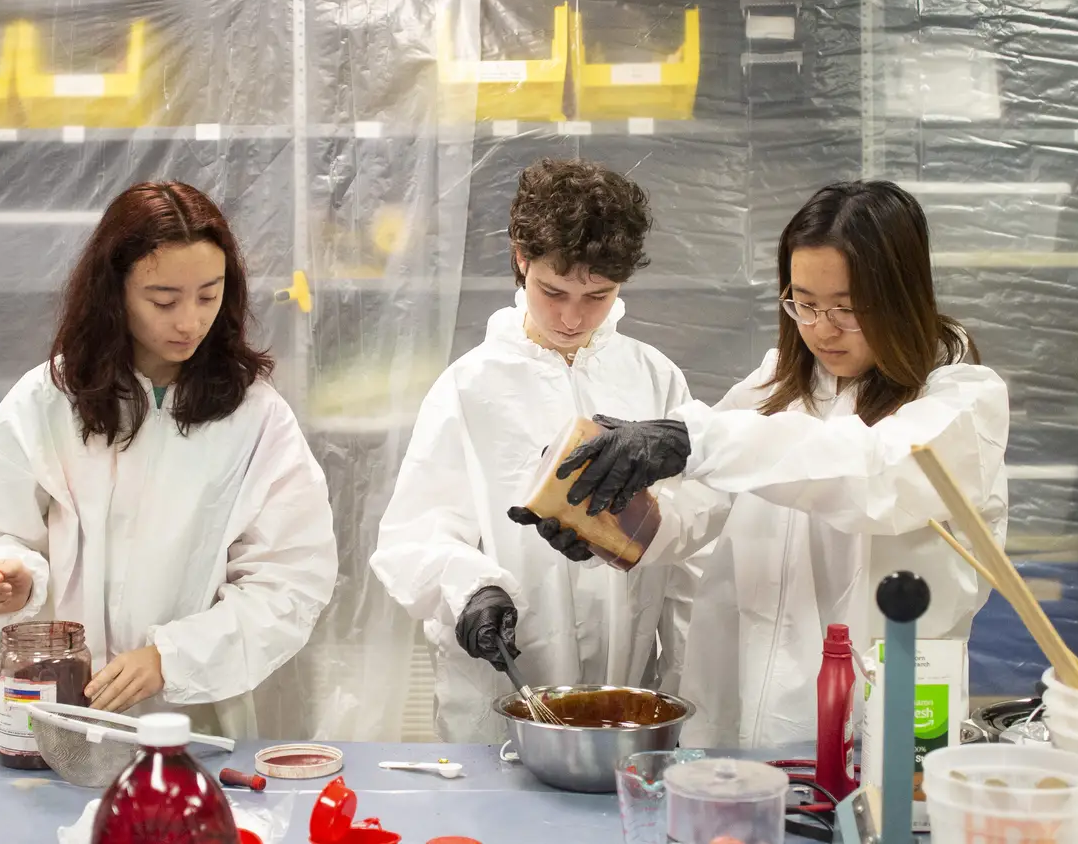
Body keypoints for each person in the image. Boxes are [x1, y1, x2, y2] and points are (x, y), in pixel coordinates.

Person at [521, 181, 1009, 748]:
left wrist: (690, 440)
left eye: (847, 308)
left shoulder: (961, 400)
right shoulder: (776, 385)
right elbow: (700, 510)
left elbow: (874, 474)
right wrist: (609, 522)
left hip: (880, 720)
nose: (822, 328)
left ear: (902, 297)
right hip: (737, 702)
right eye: (803, 302)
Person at [0, 182, 336, 734]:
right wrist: (11, 578)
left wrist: (172, 658)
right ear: (115, 292)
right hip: (64, 709)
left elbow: (291, 579)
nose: (188, 322)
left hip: (194, 719)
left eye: (208, 295)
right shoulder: (50, 399)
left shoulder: (254, 415)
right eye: (163, 299)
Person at [369, 159, 696, 742]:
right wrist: (471, 588)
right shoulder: (469, 388)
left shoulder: (655, 379)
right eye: (553, 291)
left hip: (626, 691)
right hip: (501, 695)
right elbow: (413, 536)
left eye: (598, 295)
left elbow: (695, 534)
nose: (573, 318)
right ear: (521, 258)